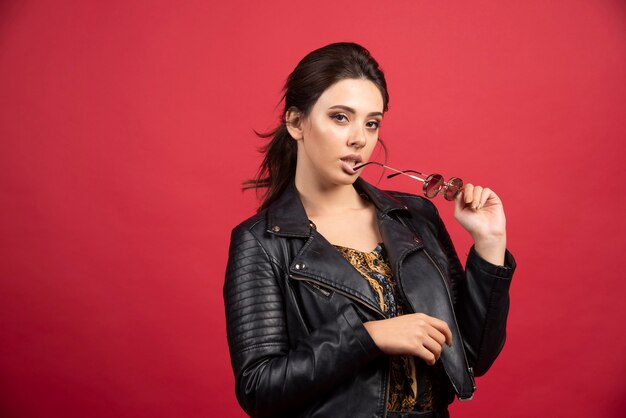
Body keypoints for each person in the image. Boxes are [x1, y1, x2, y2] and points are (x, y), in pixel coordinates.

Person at [223, 42, 516, 418]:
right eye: (341, 118)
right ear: (296, 122)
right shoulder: (262, 242)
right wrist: (369, 336)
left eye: (371, 122)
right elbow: (258, 389)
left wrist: (489, 245)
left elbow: (471, 357)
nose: (360, 139)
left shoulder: (415, 217)